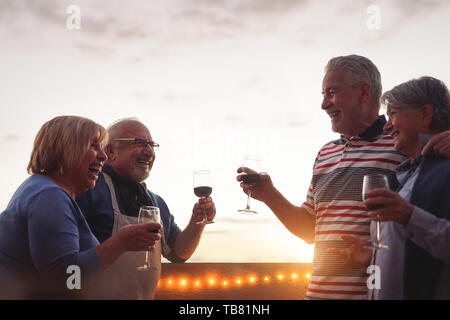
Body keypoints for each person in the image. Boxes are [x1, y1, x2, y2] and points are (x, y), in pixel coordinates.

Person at [237, 55, 450, 299]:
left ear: (363, 92)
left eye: (331, 92)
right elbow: (309, 231)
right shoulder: (325, 153)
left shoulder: (403, 145)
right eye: (323, 94)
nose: (324, 104)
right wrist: (270, 196)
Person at [0, 116, 162, 299]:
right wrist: (121, 243)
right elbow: (65, 280)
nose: (103, 156)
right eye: (94, 146)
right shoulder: (49, 196)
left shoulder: (39, 188)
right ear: (65, 149)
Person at [330, 76, 450, 299]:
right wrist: (374, 255)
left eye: (393, 113)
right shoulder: (408, 175)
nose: (386, 125)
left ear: (425, 114)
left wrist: (408, 215)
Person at [76, 118, 216, 299]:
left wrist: (198, 223)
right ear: (111, 151)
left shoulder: (156, 201)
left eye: (151, 145)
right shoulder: (88, 189)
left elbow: (179, 253)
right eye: (140, 143)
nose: (149, 151)